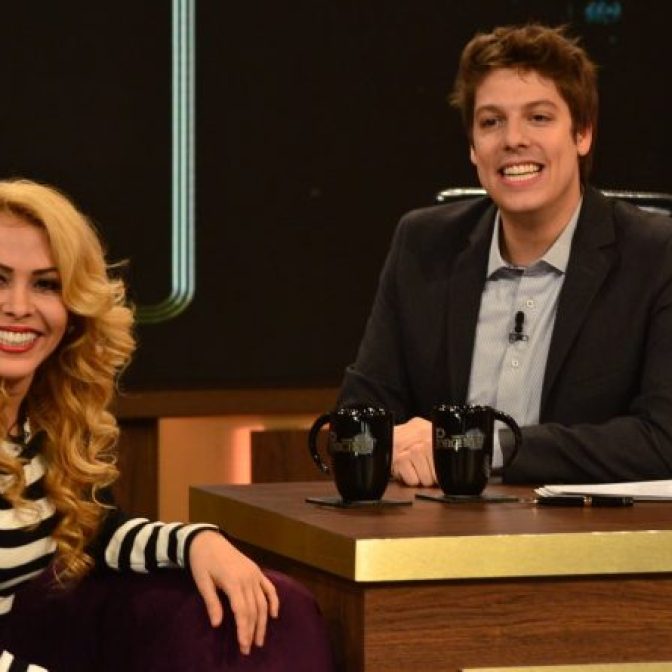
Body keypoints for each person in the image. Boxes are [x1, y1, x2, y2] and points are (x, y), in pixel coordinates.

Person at [0, 179, 333, 671]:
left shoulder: (44, 419)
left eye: (46, 284)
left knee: (273, 608)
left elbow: (94, 530)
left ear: (73, 307)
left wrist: (196, 542)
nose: (19, 306)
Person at [339, 23, 672, 487]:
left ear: (582, 134)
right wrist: (392, 445)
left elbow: (663, 439)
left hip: (587, 530)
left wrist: (476, 444)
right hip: (434, 526)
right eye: (491, 122)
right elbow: (359, 416)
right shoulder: (423, 245)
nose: (513, 139)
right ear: (473, 148)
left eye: (538, 117)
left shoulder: (656, 255)